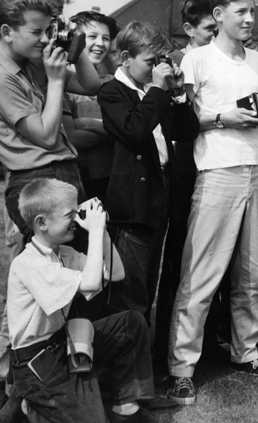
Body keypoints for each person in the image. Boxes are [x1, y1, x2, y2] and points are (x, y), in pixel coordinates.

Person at [169, 0, 258, 406]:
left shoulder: (256, 59)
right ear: (218, 15)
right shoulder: (195, 59)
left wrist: (257, 117)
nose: (250, 19)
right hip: (216, 172)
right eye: (241, 12)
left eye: (252, 11)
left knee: (252, 271)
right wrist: (225, 118)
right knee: (201, 273)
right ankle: (182, 368)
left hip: (256, 170)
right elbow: (182, 123)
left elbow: (256, 109)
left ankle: (246, 352)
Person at [0, 0, 101, 399]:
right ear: (7, 31)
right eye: (38, 31)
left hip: (60, 174)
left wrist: (74, 47)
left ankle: (20, 373)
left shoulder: (30, 56)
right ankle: (21, 375)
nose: (45, 39)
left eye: (50, 30)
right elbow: (46, 136)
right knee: (48, 283)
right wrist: (52, 78)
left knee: (58, 279)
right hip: (36, 180)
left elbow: (93, 85)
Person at [0, 178, 161, 423]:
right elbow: (92, 283)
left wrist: (103, 231)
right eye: (69, 215)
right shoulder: (30, 263)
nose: (76, 220)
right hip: (36, 364)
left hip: (62, 345)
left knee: (130, 324)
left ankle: (125, 407)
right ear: (41, 223)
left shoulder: (63, 253)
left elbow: (116, 274)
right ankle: (28, 405)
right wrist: (94, 231)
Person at [96, 21, 200, 326]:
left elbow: (187, 130)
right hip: (133, 205)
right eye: (150, 62)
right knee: (130, 291)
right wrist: (157, 89)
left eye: (160, 62)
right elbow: (135, 130)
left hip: (159, 195)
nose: (158, 69)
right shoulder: (112, 92)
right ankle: (130, 369)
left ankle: (142, 362)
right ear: (125, 58)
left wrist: (178, 93)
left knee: (148, 288)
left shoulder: (154, 92)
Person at [154, 0, 221, 371]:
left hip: (213, 167)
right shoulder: (177, 65)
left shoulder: (221, 59)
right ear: (189, 29)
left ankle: (208, 342)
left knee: (213, 262)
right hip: (185, 171)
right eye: (209, 30)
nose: (215, 36)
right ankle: (166, 344)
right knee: (183, 260)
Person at [62, 11, 120, 203]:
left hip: (112, 177)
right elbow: (73, 137)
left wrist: (86, 123)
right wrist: (115, 130)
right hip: (78, 178)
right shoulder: (64, 81)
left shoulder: (115, 82)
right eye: (92, 37)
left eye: (106, 38)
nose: (100, 43)